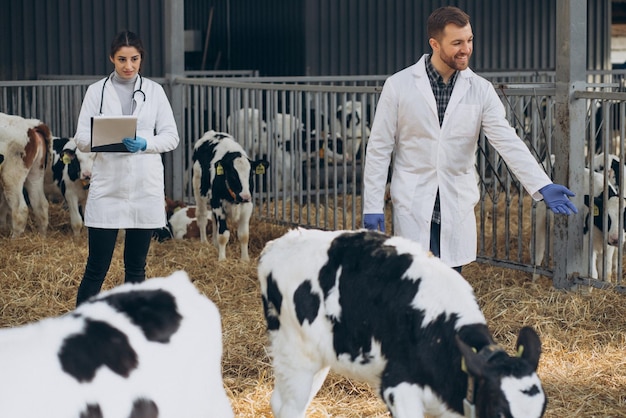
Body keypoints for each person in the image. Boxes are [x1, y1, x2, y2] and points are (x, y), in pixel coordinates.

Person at [362, 6, 577, 273]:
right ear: (435, 44)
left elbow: (506, 140)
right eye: (457, 43)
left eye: (469, 40)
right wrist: (372, 206)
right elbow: (379, 149)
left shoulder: (481, 90)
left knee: (450, 282)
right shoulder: (399, 85)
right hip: (413, 200)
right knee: (414, 280)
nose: (466, 49)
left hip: (455, 201)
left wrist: (542, 184)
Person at [73, 30, 179, 305]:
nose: (128, 66)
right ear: (112, 58)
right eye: (122, 59)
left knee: (136, 267)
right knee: (96, 267)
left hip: (144, 186)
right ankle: (79, 329)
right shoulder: (96, 91)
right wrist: (104, 139)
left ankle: (135, 329)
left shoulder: (155, 91)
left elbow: (171, 137)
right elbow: (81, 138)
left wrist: (145, 143)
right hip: (109, 185)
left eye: (134, 59)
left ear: (141, 58)